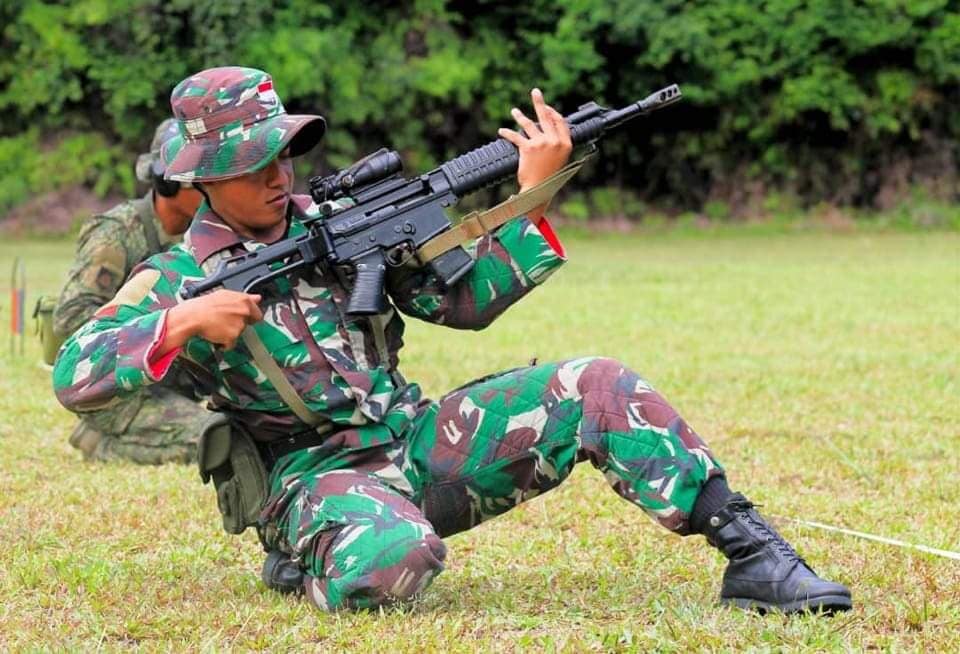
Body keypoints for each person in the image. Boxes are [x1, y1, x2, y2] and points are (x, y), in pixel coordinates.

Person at [53, 67, 852, 614]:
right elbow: (74, 374)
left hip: (417, 444)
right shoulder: (174, 278)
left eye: (284, 153)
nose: (277, 174)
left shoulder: (337, 224)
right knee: (396, 559)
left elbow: (465, 302)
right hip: (311, 477)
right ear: (200, 177)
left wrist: (533, 193)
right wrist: (182, 322)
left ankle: (753, 553)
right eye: (252, 162)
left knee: (598, 385)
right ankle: (311, 552)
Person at [53, 119, 209, 464]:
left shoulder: (204, 235)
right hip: (116, 389)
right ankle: (99, 443)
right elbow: (70, 320)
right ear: (167, 182)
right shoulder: (118, 233)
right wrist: (159, 326)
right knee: (217, 441)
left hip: (170, 382)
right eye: (199, 180)